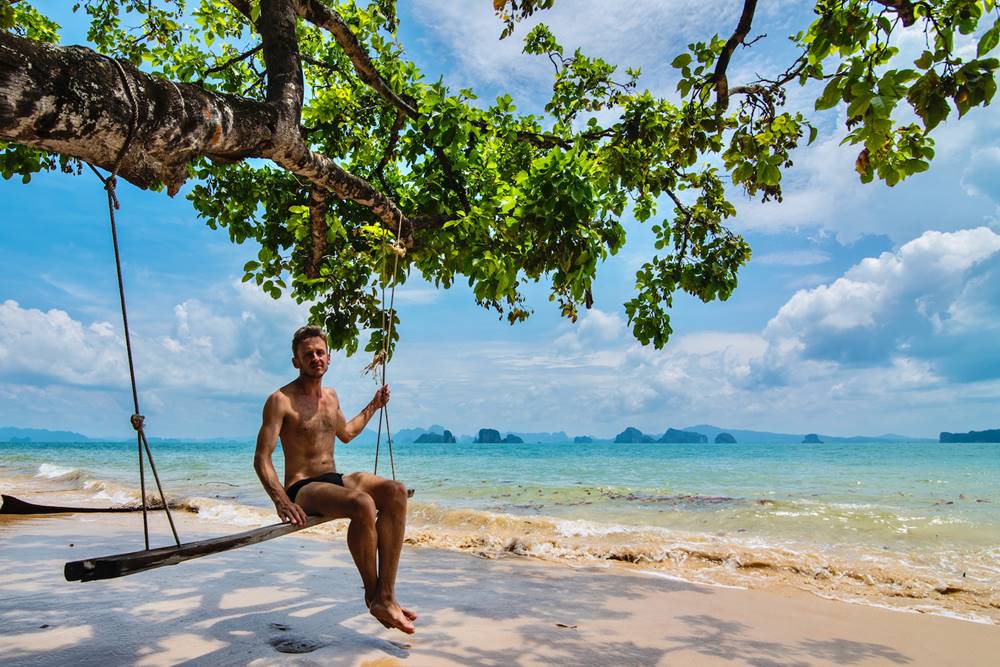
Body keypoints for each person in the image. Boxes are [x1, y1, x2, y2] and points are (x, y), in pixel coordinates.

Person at [253, 325, 415, 634]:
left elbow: (347, 433)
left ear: (328, 357)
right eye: (307, 354)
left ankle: (387, 595)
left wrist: (374, 405)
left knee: (396, 492)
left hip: (333, 478)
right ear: (296, 361)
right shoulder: (280, 400)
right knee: (363, 503)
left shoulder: (331, 396)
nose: (315, 358)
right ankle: (374, 595)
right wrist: (280, 500)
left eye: (319, 352)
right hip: (302, 487)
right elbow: (262, 458)